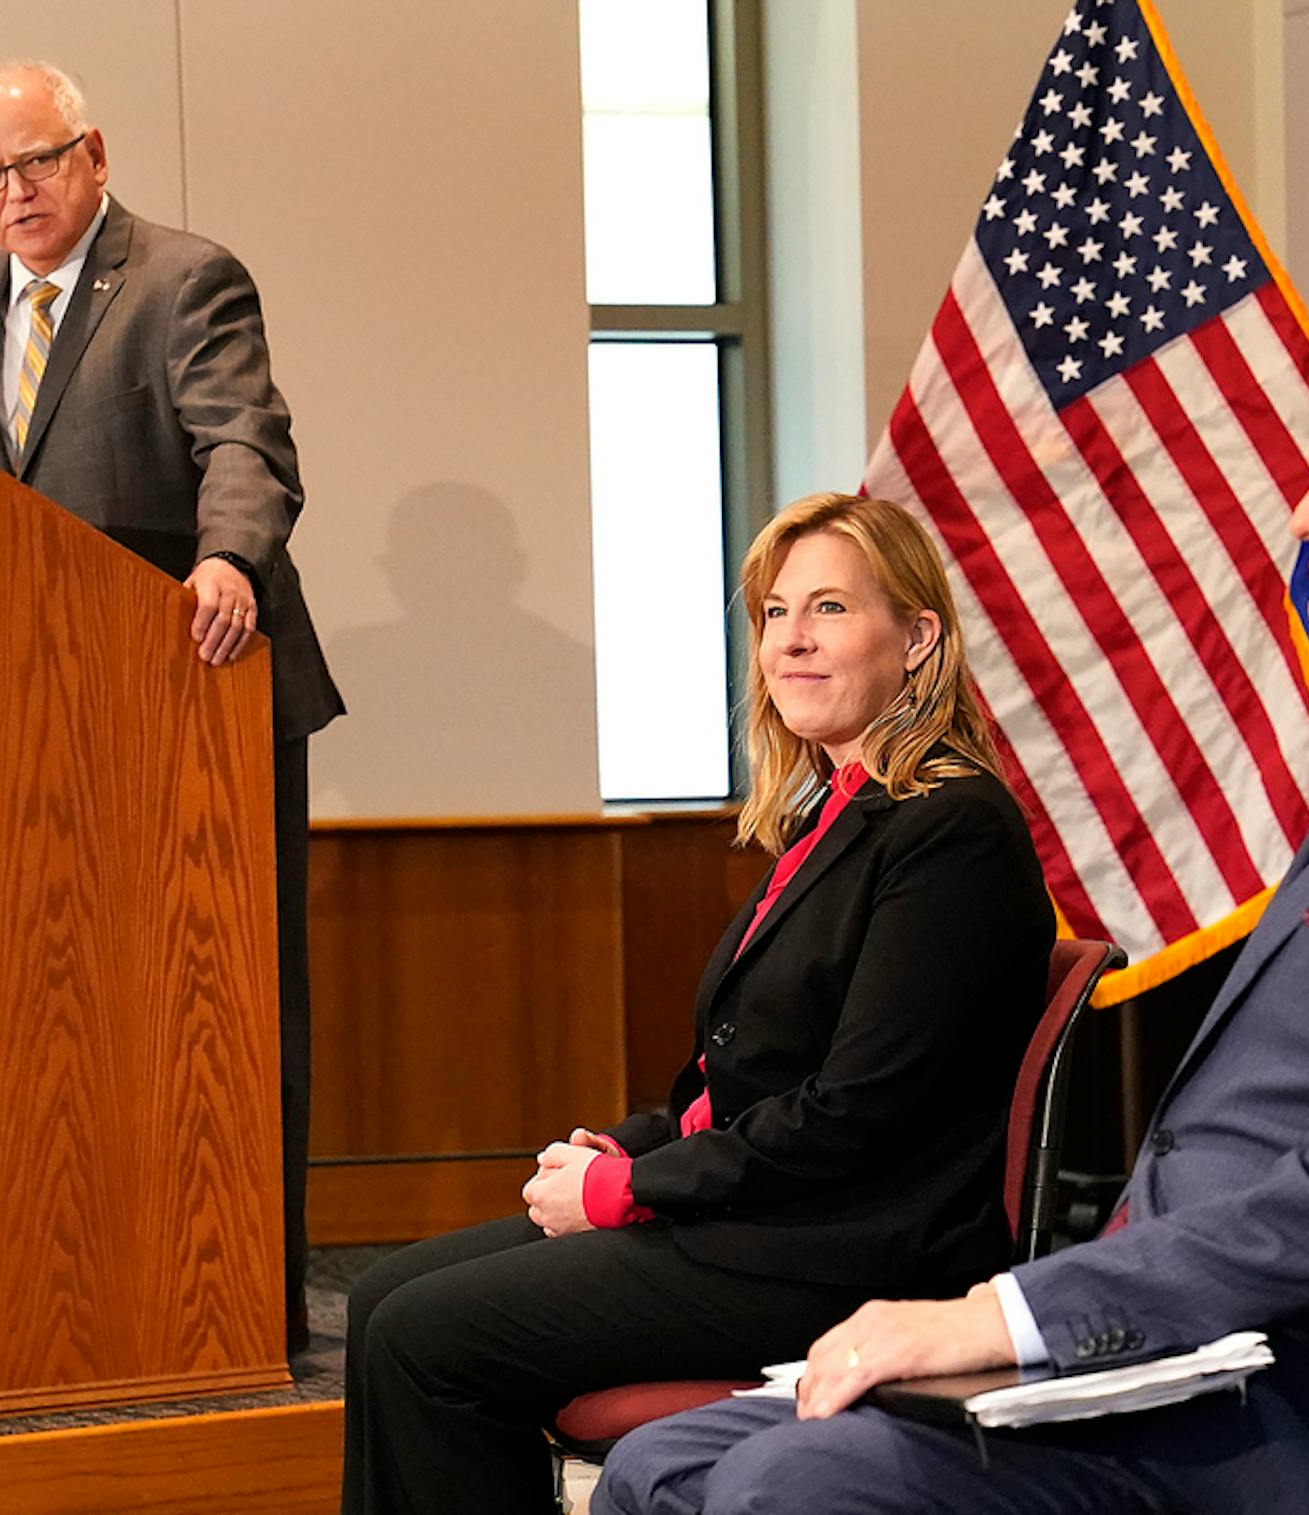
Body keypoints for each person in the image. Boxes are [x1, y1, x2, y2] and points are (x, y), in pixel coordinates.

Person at [595, 332, 1309, 1515]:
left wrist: (1004, 1318)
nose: (1305, 515)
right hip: (1196, 1352)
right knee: (668, 1460)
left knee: (793, 1481)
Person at [340, 493, 1056, 1515]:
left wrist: (631, 1192)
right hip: (765, 1215)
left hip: (844, 1249)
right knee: (376, 1301)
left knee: (426, 1338)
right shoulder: (834, 812)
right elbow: (740, 1074)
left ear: (918, 638)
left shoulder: (951, 830)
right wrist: (626, 1151)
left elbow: (855, 1113)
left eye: (830, 611)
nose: (792, 641)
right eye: (773, 613)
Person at [0, 61, 342, 1352]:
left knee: (222, 1016)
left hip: (192, 695)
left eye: (35, 162)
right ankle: (93, 1290)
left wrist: (227, 557)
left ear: (95, 153)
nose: (13, 194)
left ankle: (245, 1303)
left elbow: (246, 442)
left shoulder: (183, 276)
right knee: (68, 1015)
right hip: (36, 722)